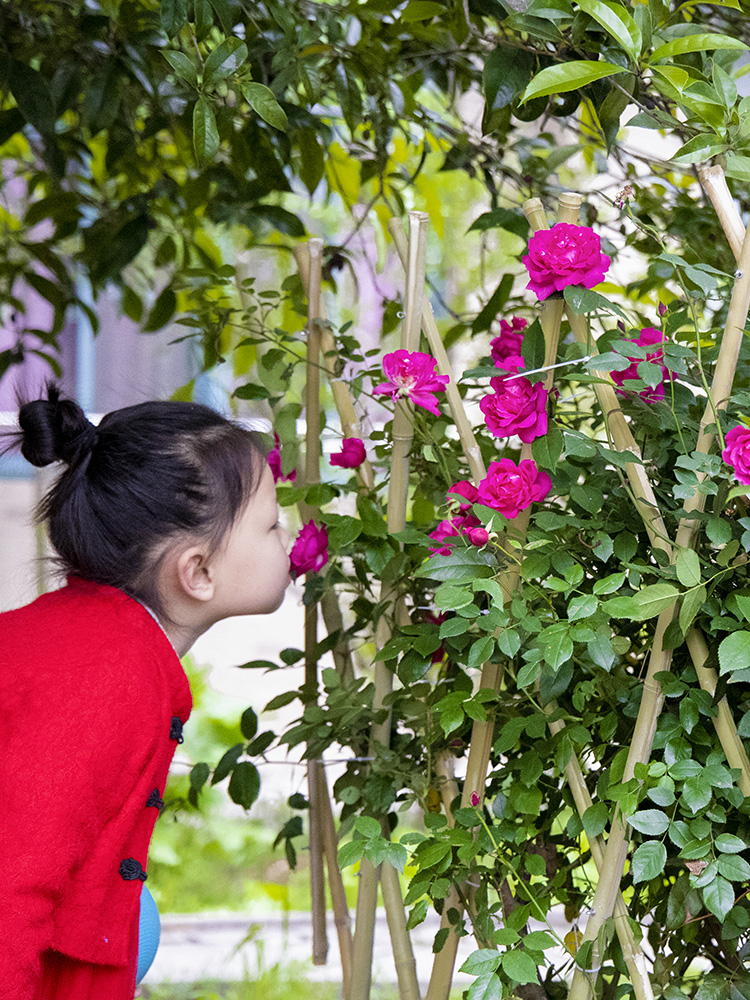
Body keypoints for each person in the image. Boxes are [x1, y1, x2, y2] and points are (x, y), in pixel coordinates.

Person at [0, 384, 291, 1000]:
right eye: (271, 526)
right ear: (199, 572)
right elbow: (10, 887)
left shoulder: (97, 636)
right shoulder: (107, 677)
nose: (287, 539)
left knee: (140, 920)